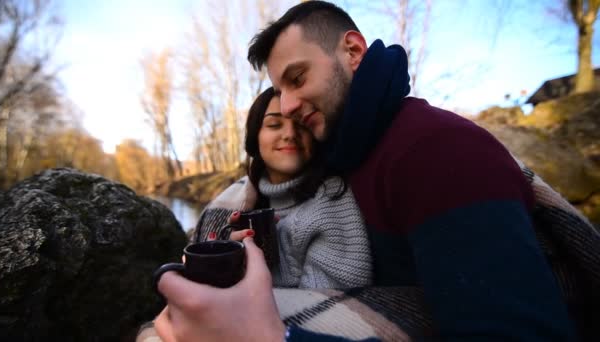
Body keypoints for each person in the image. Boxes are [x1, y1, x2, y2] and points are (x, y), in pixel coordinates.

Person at [154, 1, 577, 341]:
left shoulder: (437, 150)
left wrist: (273, 337)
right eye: (279, 92)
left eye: (297, 79)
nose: (286, 106)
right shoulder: (344, 156)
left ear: (353, 52)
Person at [193, 86, 372, 288]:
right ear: (255, 137)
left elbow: (324, 309)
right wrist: (228, 263)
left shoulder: (332, 202)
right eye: (274, 124)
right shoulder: (240, 199)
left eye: (301, 124)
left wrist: (248, 278)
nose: (290, 134)